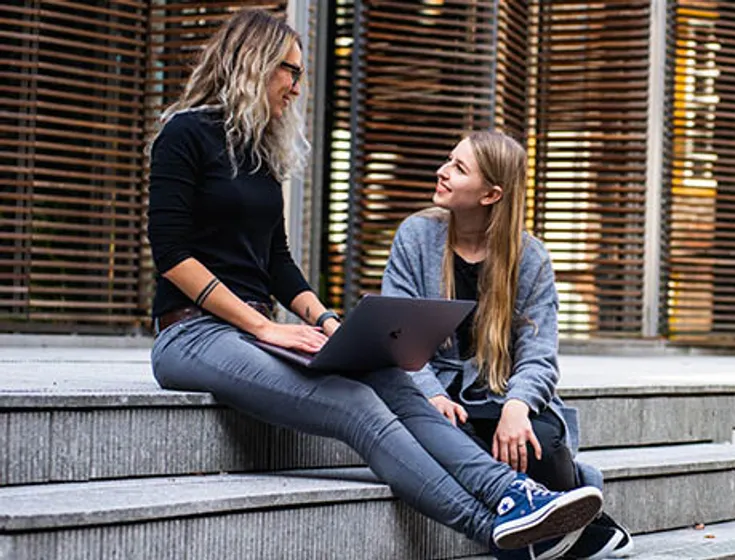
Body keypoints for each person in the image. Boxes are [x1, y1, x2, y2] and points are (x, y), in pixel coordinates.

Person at [145, 10, 601, 559]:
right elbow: (172, 255)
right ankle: (494, 529)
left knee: (394, 379)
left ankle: (514, 494)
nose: (297, 84)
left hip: (254, 332)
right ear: (254, 63)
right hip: (193, 335)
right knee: (354, 404)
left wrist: (328, 322)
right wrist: (269, 326)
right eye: (290, 70)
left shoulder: (260, 153)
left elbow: (277, 262)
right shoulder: (184, 134)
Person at [380, 130, 633, 559]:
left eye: (458, 169)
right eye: (448, 160)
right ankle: (584, 528)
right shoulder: (416, 235)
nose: (442, 172)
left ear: (490, 194)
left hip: (499, 394)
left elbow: (539, 354)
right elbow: (396, 332)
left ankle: (557, 519)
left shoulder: (529, 256)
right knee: (447, 438)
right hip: (434, 392)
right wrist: (433, 394)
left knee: (538, 445)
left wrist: (517, 407)